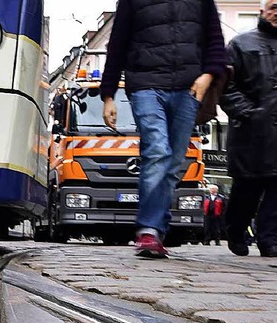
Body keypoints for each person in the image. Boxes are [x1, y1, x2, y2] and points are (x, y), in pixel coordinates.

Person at [100, 0, 227, 258]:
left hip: (188, 87)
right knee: (157, 151)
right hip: (145, 84)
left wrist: (208, 75)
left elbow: (215, 39)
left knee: (174, 163)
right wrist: (108, 95)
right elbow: (118, 43)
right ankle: (149, 230)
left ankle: (157, 226)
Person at [219, 0, 277, 257]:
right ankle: (235, 228)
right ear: (262, 11)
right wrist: (247, 113)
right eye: (274, 7)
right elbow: (226, 86)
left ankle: (269, 240)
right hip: (251, 131)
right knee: (247, 188)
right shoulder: (241, 44)